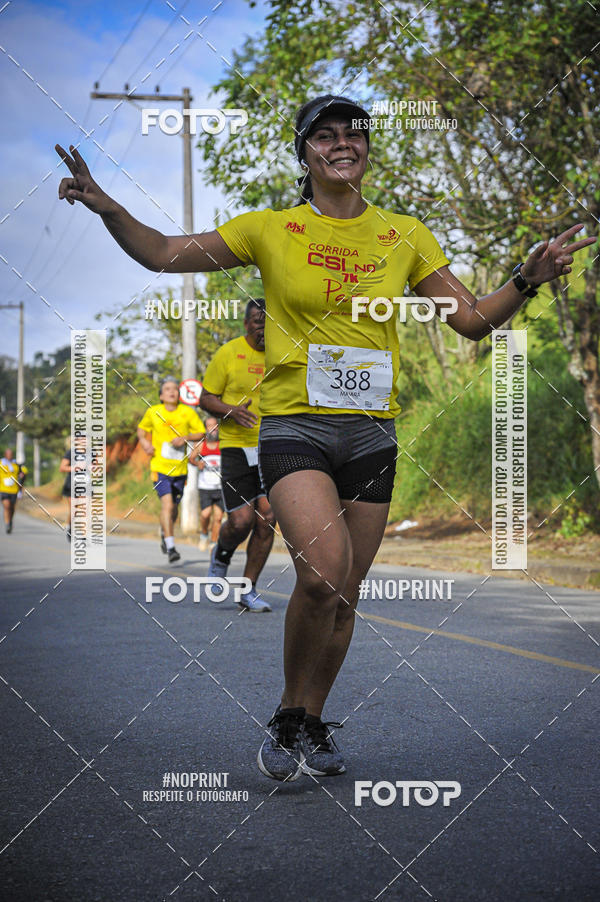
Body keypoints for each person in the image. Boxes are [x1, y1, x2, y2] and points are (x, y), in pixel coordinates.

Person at [55, 95, 595, 780]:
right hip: (295, 428)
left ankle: (312, 720)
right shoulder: (270, 229)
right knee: (320, 574)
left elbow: (469, 320)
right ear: (305, 154)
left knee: (345, 593)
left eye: (355, 133)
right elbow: (162, 253)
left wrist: (525, 279)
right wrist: (109, 208)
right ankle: (287, 714)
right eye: (327, 134)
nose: (344, 143)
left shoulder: (403, 233)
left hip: (371, 433)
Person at [199, 299, 275, 613]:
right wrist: (231, 411)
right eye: (258, 322)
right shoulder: (229, 353)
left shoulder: (283, 353)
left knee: (267, 518)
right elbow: (206, 398)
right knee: (241, 521)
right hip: (236, 446)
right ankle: (221, 556)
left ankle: (248, 589)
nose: (264, 328)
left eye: (269, 322)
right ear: (246, 324)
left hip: (273, 446)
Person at [136, 377, 205, 563]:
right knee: (167, 505)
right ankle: (171, 547)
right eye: (167, 389)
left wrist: (185, 438)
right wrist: (144, 443)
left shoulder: (187, 412)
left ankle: (164, 534)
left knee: (173, 509)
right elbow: (141, 430)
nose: (172, 392)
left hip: (180, 469)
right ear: (161, 395)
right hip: (159, 468)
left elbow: (201, 433)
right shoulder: (153, 411)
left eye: (175, 389)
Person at [189, 416, 223, 551]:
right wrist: (198, 463)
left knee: (218, 517)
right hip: (205, 486)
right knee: (205, 514)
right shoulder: (201, 445)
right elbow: (191, 459)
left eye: (215, 425)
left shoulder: (223, 444)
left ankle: (213, 543)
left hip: (220, 487)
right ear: (205, 429)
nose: (213, 428)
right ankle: (204, 534)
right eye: (210, 426)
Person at [0, 448, 27, 534]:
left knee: (12, 508)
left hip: (14, 490)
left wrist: (22, 476)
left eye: (11, 454)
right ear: (5, 455)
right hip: (3, 489)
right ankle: (7, 524)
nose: (10, 456)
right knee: (7, 506)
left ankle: (10, 520)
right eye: (8, 454)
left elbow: (23, 474)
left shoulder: (16, 465)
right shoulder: (1, 464)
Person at [59, 437, 73, 542]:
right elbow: (62, 468)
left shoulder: (90, 453)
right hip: (72, 484)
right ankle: (70, 528)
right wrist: (75, 468)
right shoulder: (70, 453)